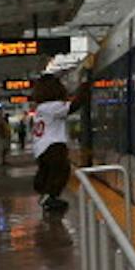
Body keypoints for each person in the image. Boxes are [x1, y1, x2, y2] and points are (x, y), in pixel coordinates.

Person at [28, 55, 94, 216]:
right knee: (61, 171)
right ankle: (49, 196)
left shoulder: (41, 108)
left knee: (49, 171)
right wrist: (85, 85)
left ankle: (45, 192)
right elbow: (74, 106)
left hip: (40, 147)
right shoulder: (53, 106)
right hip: (53, 145)